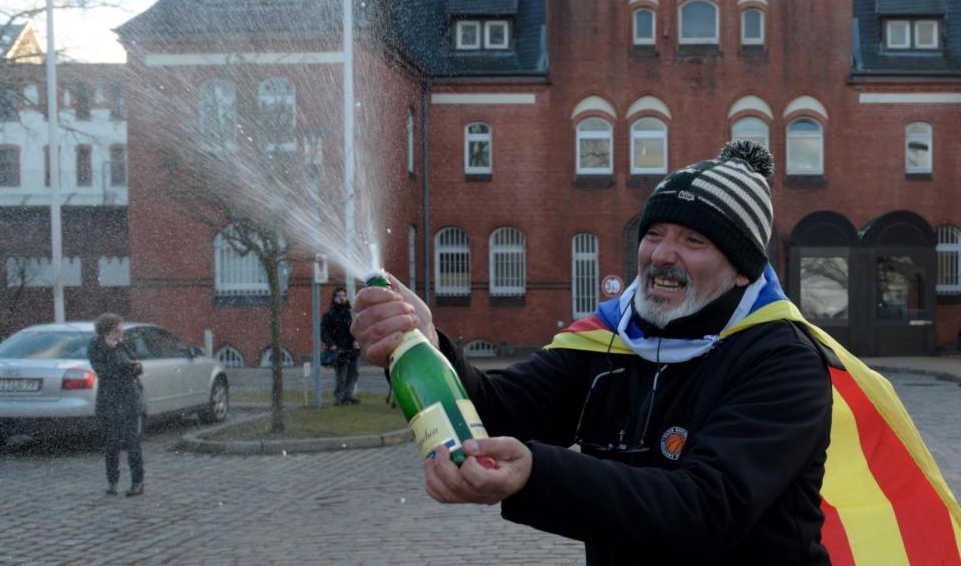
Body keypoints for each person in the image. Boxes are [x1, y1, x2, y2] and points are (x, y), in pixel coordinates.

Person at [351, 141, 836, 564]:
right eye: (654, 234)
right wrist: (424, 344)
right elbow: (503, 413)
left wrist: (536, 474)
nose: (663, 254)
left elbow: (705, 509)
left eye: (694, 240)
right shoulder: (609, 339)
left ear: (742, 270)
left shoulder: (783, 361)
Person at [87, 313, 144, 497]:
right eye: (117, 330)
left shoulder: (123, 344)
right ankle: (113, 482)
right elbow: (103, 371)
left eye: (121, 329)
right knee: (111, 444)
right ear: (107, 330)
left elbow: (137, 365)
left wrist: (134, 366)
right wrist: (115, 356)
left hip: (128, 398)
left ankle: (138, 482)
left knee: (132, 442)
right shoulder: (96, 346)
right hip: (109, 400)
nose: (121, 333)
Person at [321, 287, 361, 406]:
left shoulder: (351, 313)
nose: (342, 298)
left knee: (353, 373)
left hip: (352, 348)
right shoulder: (330, 315)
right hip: (338, 348)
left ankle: (347, 395)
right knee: (341, 375)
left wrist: (356, 340)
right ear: (334, 298)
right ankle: (339, 398)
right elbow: (324, 332)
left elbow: (358, 328)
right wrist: (331, 344)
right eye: (339, 296)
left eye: (343, 295)